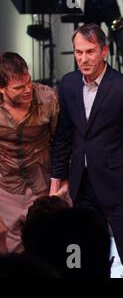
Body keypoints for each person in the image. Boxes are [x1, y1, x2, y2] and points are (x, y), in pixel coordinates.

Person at [50, 23, 123, 266]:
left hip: (118, 185)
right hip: (82, 184)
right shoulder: (68, 84)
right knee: (87, 253)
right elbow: (64, 135)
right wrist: (56, 178)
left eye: (90, 51)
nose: (83, 58)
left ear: (104, 51)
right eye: (78, 52)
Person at [0, 52, 60, 253]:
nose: (27, 90)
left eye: (29, 82)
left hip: (42, 184)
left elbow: (60, 142)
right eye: (19, 87)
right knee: (13, 248)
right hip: (6, 187)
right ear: (1, 89)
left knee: (48, 243)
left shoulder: (47, 98)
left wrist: (60, 180)